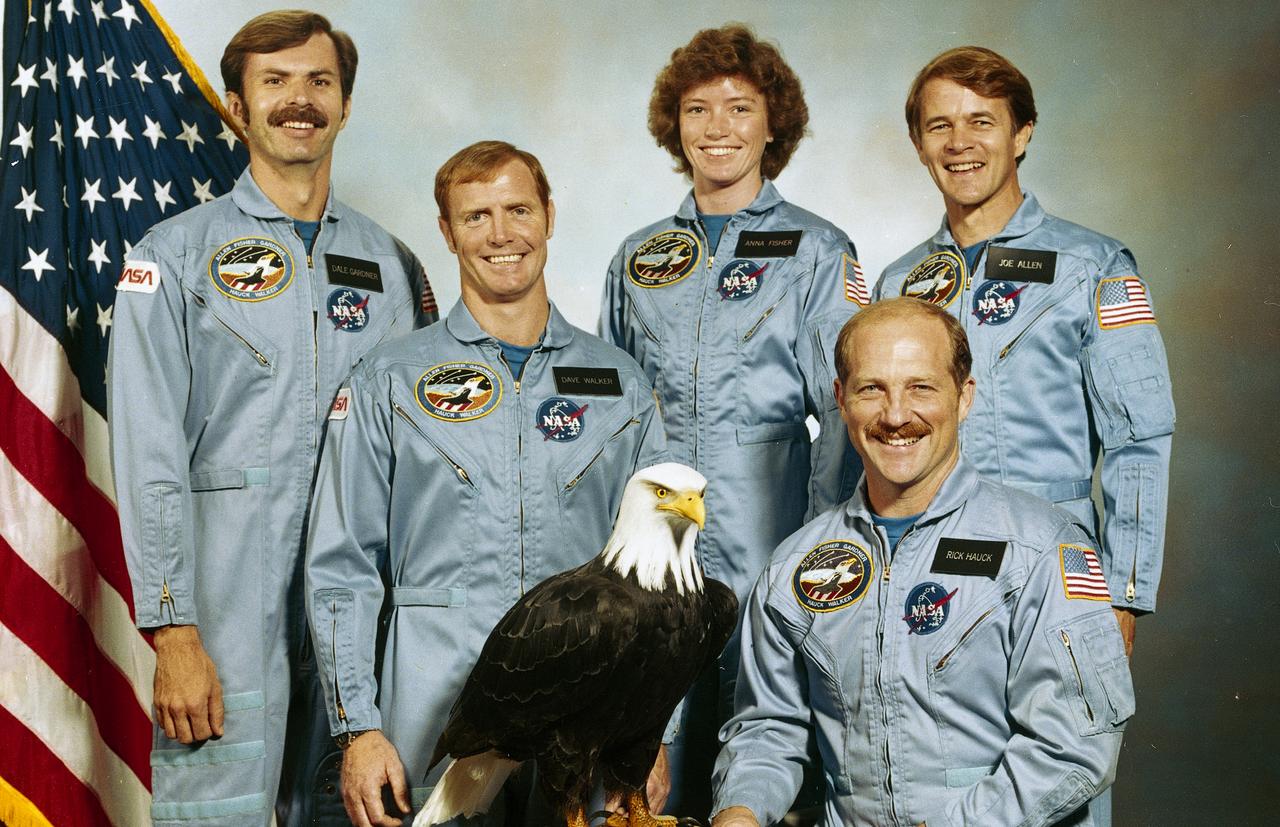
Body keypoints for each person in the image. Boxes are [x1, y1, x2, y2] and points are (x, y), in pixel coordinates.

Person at [107, 11, 435, 826]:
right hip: (223, 613)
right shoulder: (172, 257)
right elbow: (150, 453)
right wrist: (173, 629)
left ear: (346, 105)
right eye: (275, 82)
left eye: (320, 81)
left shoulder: (392, 265)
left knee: (357, 807)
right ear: (236, 105)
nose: (300, 100)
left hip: (360, 618)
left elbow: (423, 462)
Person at [306, 141, 670, 827]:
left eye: (518, 210)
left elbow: (657, 578)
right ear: (447, 232)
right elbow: (341, 564)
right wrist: (358, 727)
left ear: (550, 216)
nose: (501, 234)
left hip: (583, 710)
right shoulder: (390, 382)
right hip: (432, 705)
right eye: (476, 216)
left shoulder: (620, 386)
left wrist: (651, 731)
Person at [711, 298, 1135, 827]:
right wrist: (741, 810)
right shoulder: (794, 567)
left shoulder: (1041, 549)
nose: (895, 416)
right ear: (840, 400)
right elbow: (767, 729)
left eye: (921, 388)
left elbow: (1073, 746)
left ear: (964, 396)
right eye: (872, 389)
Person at [598, 25, 864, 814]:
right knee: (651, 762)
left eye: (739, 107)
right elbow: (611, 420)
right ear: (674, 126)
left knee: (768, 747)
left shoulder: (818, 250)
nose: (717, 127)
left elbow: (845, 410)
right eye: (697, 109)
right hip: (657, 552)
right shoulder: (639, 258)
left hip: (770, 533)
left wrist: (821, 542)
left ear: (773, 123)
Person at [873, 46, 1174, 657]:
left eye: (981, 121)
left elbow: (1138, 438)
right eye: (940, 125)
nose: (959, 142)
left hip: (1053, 566)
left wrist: (1124, 591)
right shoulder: (897, 285)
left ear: (1022, 134)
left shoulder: (1094, 267)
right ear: (919, 144)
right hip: (924, 571)